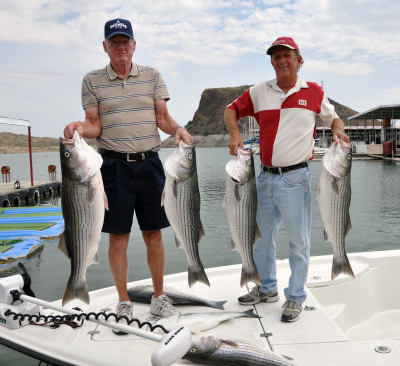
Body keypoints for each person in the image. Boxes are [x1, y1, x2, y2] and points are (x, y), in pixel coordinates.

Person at [63, 18, 193, 334]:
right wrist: (80, 128)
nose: (120, 47)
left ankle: (159, 297)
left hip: (150, 164)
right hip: (112, 167)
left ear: (134, 45)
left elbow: (162, 117)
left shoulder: (153, 76)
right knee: (118, 237)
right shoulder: (92, 80)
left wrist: (178, 129)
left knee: (154, 234)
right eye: (114, 42)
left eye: (126, 42)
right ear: (105, 46)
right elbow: (95, 125)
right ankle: (124, 301)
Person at [224, 37, 349, 322]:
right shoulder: (259, 91)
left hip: (296, 179)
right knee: (260, 240)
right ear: (271, 61)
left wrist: (338, 132)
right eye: (276, 56)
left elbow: (334, 120)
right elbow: (230, 109)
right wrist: (235, 133)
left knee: (299, 242)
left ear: (298, 59)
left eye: (287, 56)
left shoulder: (314, 92)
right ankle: (268, 289)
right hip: (263, 178)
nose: (281, 60)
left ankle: (295, 297)